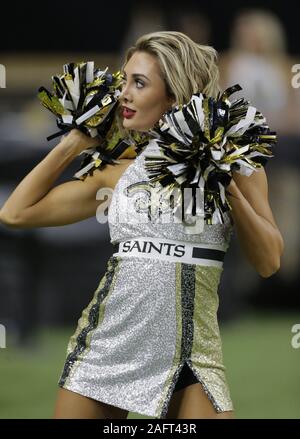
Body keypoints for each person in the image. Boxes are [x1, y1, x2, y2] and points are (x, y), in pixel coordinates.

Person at [0, 31, 284, 419]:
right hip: (108, 346)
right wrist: (73, 142)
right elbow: (15, 213)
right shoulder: (118, 171)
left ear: (173, 93)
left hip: (191, 355)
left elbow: (269, 261)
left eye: (139, 83)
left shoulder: (237, 163)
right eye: (124, 81)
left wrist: (226, 183)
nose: (123, 95)